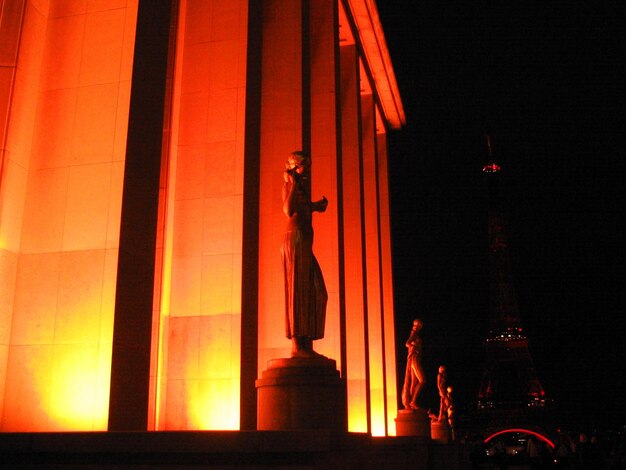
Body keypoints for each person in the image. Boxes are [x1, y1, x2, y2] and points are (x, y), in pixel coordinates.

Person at [281, 150, 328, 357]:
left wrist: (317, 206)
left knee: (317, 291)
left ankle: (307, 343)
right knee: (298, 290)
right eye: (303, 166)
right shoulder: (290, 186)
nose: (307, 170)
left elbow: (304, 207)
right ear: (293, 167)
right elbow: (288, 210)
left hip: (305, 242)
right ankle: (298, 346)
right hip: (295, 239)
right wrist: (291, 183)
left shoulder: (300, 188)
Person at [401, 319, 426, 409]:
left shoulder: (416, 334)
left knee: (414, 382)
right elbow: (407, 343)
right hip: (414, 358)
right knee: (422, 380)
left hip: (416, 358)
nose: (419, 327)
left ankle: (411, 402)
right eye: (419, 326)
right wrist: (414, 349)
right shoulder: (414, 334)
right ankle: (413, 401)